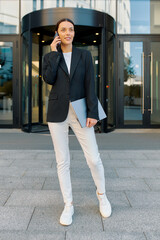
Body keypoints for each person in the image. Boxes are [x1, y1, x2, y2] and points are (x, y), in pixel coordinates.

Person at [42, 18, 111, 226]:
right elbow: (49, 79)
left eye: (70, 29)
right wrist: (53, 53)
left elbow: (91, 84)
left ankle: (102, 196)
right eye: (63, 30)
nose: (67, 33)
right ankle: (68, 204)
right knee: (62, 161)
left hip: (81, 113)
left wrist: (92, 112)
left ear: (74, 33)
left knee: (93, 158)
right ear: (57, 34)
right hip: (57, 113)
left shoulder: (85, 55)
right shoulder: (51, 56)